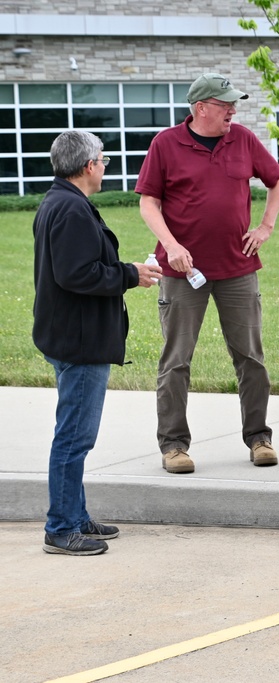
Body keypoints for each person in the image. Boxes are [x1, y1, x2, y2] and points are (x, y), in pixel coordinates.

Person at [136, 72, 279, 475]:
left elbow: (278, 180)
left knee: (251, 358)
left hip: (237, 267)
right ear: (201, 108)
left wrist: (266, 226)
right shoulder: (166, 144)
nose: (233, 112)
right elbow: (149, 202)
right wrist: (171, 245)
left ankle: (259, 437)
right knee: (176, 361)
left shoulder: (243, 140)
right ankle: (173, 446)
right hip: (181, 272)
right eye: (225, 105)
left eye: (233, 105)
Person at [33, 131, 162, 555]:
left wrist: (126, 271)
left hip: (69, 334)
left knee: (74, 434)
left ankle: (76, 514)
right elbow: (77, 275)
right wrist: (132, 273)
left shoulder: (61, 201)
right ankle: (61, 527)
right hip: (80, 341)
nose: (105, 166)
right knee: (74, 437)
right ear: (89, 166)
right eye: (103, 160)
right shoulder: (69, 209)